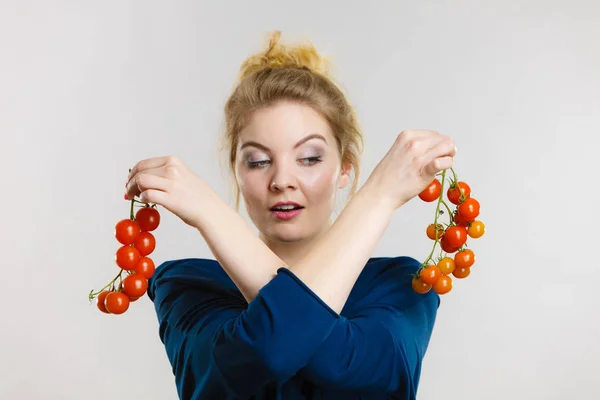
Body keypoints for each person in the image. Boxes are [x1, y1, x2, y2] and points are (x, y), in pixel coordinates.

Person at [125, 30, 456, 400]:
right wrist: (210, 213)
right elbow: (268, 349)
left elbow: (358, 372)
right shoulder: (186, 285)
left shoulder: (402, 284)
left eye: (310, 158)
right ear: (236, 171)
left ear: (345, 167)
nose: (282, 180)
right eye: (258, 161)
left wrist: (378, 196)